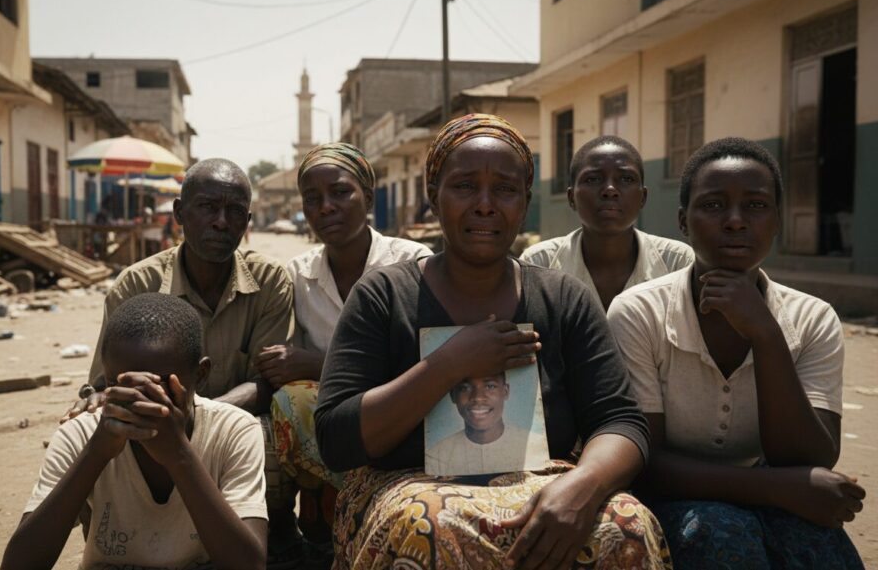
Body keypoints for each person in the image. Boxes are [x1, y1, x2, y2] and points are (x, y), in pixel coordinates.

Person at [314, 114, 670, 569]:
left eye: (505, 189)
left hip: (545, 486)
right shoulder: (384, 296)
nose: (485, 205)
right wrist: (448, 365)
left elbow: (620, 421)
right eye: (465, 186)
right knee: (430, 526)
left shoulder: (563, 298)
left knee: (628, 525)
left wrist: (585, 484)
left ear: (525, 202)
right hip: (405, 489)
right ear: (433, 197)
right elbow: (336, 439)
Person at [607, 137, 865, 569]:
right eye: (712, 205)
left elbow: (810, 458)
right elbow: (644, 463)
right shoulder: (639, 312)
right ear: (683, 221)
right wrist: (774, 488)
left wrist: (765, 333)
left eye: (756, 206)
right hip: (671, 500)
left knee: (822, 549)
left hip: (773, 492)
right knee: (718, 534)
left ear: (777, 220)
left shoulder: (812, 317)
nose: (735, 221)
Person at [61, 158, 303, 568]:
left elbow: (267, 381)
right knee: (88, 431)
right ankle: (113, 546)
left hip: (235, 421)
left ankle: (275, 530)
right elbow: (106, 384)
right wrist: (120, 407)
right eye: (207, 207)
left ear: (247, 221)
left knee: (273, 433)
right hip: (149, 418)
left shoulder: (269, 281)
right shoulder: (138, 284)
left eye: (235, 212)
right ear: (179, 213)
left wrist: (194, 422)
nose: (221, 222)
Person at [2, 293, 267, 570]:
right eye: (121, 385)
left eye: (157, 386)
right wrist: (96, 453)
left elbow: (249, 564)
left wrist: (179, 455)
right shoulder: (82, 433)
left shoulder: (232, 430)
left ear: (200, 374)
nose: (138, 400)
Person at [259, 142, 430, 551]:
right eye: (312, 198)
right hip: (337, 424)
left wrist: (317, 364)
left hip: (402, 410)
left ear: (367, 198)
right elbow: (283, 367)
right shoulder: (298, 276)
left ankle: (341, 507)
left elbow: (426, 363)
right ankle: (315, 513)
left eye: (340, 192)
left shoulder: (413, 262)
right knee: (287, 404)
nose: (326, 208)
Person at [521, 135, 693, 309]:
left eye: (626, 179)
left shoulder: (677, 262)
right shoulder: (538, 264)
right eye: (593, 179)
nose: (610, 190)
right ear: (572, 197)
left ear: (643, 197)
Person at [428, 372, 547, 476]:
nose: (478, 397)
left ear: (505, 391)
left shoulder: (535, 446)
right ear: (453, 395)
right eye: (464, 388)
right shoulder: (437, 456)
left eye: (490, 386)